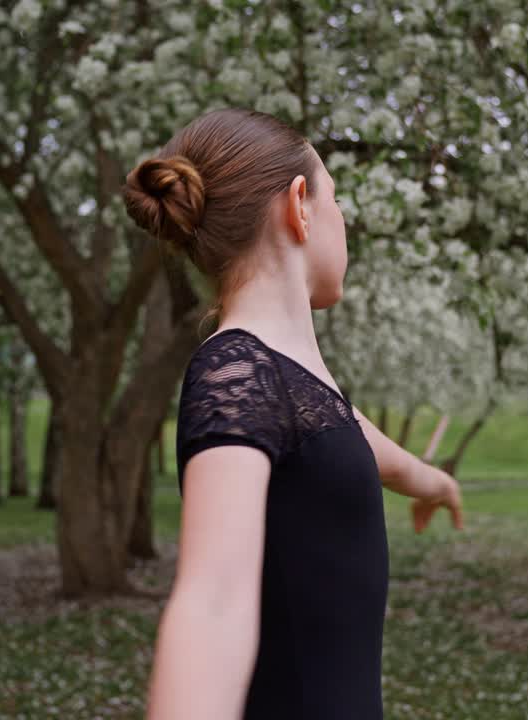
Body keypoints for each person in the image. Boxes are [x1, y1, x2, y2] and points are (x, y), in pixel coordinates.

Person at [123, 107, 465, 720]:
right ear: (300, 204)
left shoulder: (296, 386)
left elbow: (374, 452)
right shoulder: (237, 372)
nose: (344, 220)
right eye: (337, 199)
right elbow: (214, 598)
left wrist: (437, 485)